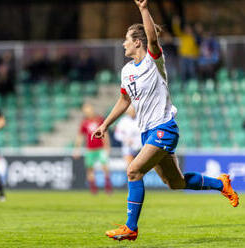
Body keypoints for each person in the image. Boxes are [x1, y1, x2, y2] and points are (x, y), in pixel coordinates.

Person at [91, 0, 239, 242]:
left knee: (133, 171)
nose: (123, 43)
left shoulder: (153, 61)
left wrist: (144, 9)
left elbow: (152, 39)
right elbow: (124, 100)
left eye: (127, 39)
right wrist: (105, 124)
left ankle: (131, 227)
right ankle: (221, 183)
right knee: (175, 183)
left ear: (137, 42)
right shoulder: (126, 71)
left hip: (164, 128)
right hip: (146, 132)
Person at [73, 103, 112, 194]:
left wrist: (107, 146)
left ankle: (108, 186)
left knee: (105, 167)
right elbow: (80, 136)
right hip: (90, 149)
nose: (88, 112)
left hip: (101, 148)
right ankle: (93, 188)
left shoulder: (99, 120)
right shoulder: (84, 122)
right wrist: (76, 149)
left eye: (89, 109)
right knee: (90, 168)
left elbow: (105, 133)